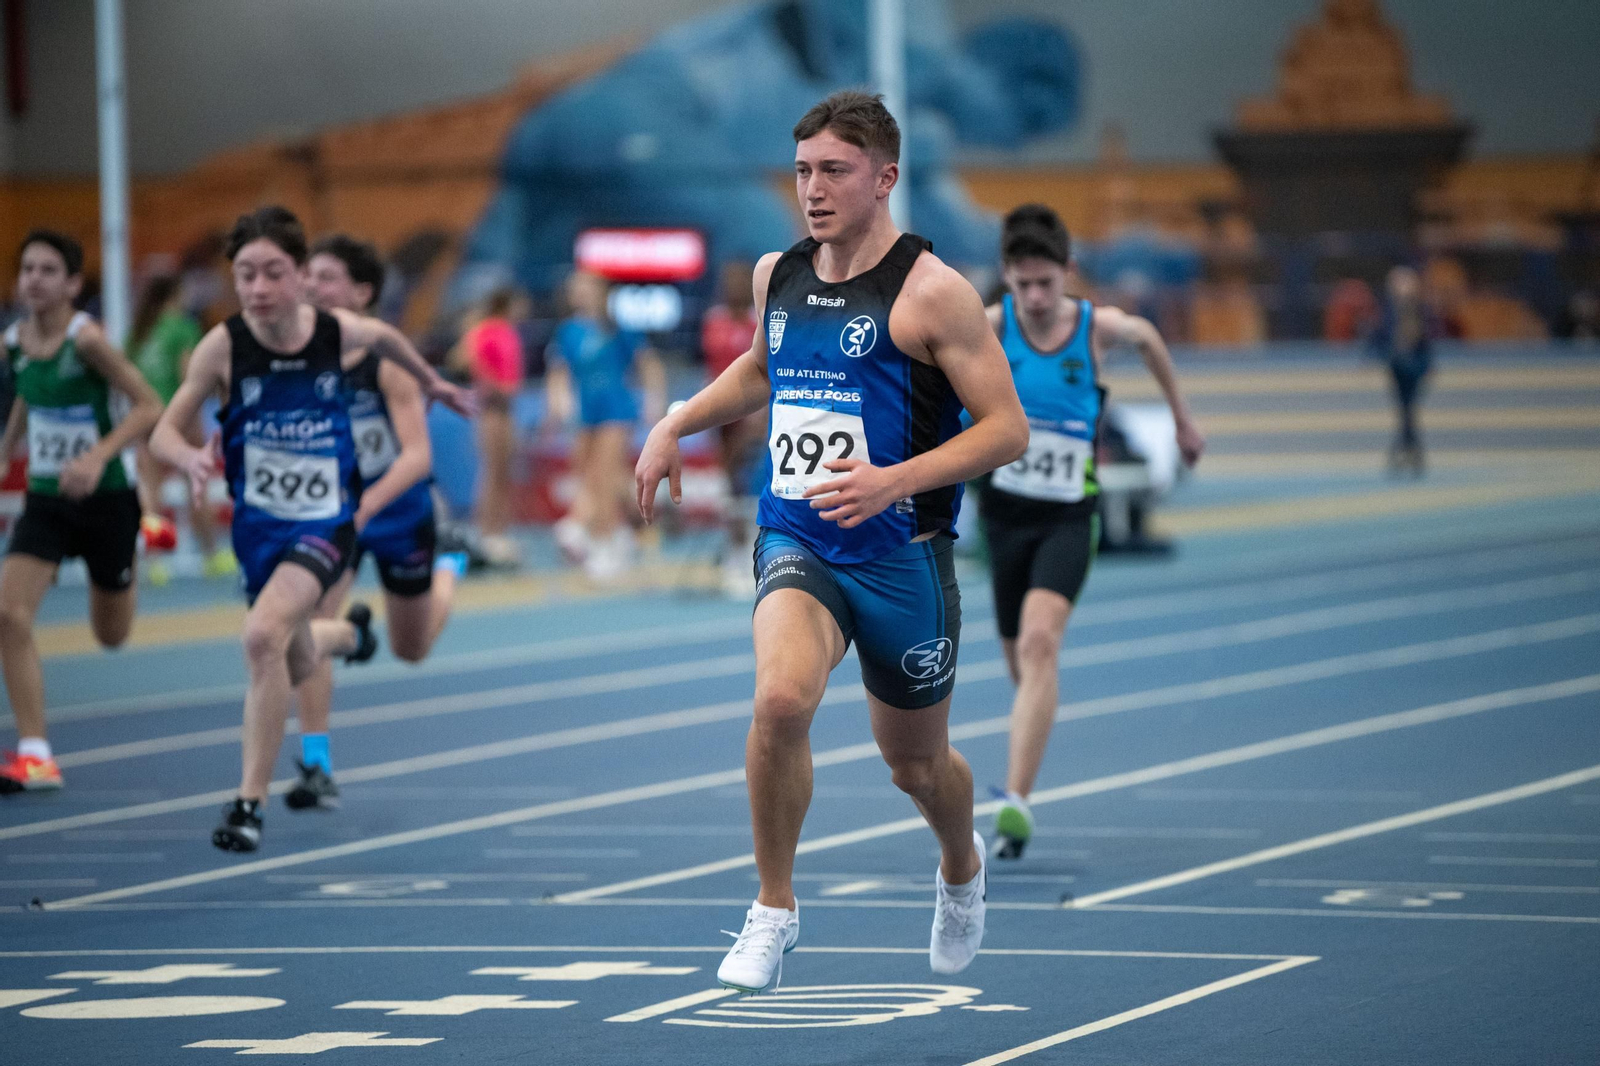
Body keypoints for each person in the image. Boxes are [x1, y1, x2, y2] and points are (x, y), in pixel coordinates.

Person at [635, 91, 1028, 991]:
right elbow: (763, 368)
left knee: (917, 766)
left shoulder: (934, 293)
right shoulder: (779, 273)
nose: (813, 189)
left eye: (835, 172)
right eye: (804, 170)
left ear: (884, 178)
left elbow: (1007, 430)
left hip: (902, 560)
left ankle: (960, 870)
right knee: (780, 702)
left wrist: (897, 478)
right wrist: (677, 422)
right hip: (798, 539)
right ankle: (775, 907)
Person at [150, 206, 473, 851]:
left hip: (360, 512)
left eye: (280, 274)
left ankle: (252, 800)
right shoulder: (225, 344)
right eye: (246, 275)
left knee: (273, 637)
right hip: (266, 526)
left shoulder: (350, 340)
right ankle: (346, 642)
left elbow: (410, 433)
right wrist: (189, 456)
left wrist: (429, 381)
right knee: (290, 648)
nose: (262, 288)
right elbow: (165, 427)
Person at [979, 204, 1205, 859]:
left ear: (1067, 273)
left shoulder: (1094, 328)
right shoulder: (992, 327)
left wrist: (1183, 422)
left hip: (1069, 514)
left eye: (1047, 283)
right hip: (1005, 514)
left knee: (1042, 644)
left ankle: (1015, 804)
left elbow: (1151, 341)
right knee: (1022, 665)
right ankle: (1033, 739)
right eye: (1023, 286)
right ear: (1007, 278)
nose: (1037, 298)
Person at [287, 234, 468, 809]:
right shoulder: (296, 356)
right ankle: (316, 763)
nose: (313, 286)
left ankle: (449, 565)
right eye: (308, 275)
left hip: (397, 510)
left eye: (328, 277)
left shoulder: (385, 360)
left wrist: (365, 504)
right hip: (334, 512)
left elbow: (417, 456)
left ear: (362, 292)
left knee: (410, 648)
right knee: (311, 622)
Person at [0, 230, 164, 793]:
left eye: (48, 270)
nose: (34, 280)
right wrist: (6, 450)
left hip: (106, 502)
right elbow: (28, 392)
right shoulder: (15, 342)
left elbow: (149, 405)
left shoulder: (87, 340)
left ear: (72, 283)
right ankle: (36, 754)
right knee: (7, 613)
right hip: (46, 501)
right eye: (27, 269)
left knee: (111, 634)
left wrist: (97, 455)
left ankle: (128, 563)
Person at [547, 270, 665, 582]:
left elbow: (647, 363)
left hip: (617, 409)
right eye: (575, 289)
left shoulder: (618, 327)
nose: (580, 294)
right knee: (591, 475)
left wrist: (654, 399)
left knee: (603, 474)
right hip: (587, 412)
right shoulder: (568, 332)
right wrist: (558, 403)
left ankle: (603, 542)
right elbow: (559, 372)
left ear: (600, 291)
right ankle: (626, 532)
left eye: (585, 288)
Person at [128, 273, 235, 583]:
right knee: (196, 484)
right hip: (178, 417)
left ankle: (155, 563)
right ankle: (211, 555)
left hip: (145, 416)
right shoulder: (183, 328)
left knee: (151, 493)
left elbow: (130, 377)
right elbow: (190, 375)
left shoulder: (138, 331)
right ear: (174, 294)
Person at [701, 260, 765, 594]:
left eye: (739, 281)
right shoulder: (715, 320)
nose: (733, 287)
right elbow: (712, 367)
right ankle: (735, 550)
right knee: (729, 484)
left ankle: (754, 550)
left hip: (754, 415)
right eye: (729, 281)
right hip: (724, 416)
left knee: (748, 480)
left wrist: (759, 414)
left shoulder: (759, 321)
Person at [455, 288, 526, 567]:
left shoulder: (509, 331)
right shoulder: (485, 329)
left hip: (507, 410)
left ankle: (499, 532)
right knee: (492, 471)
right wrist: (491, 387)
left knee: (504, 472)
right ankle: (486, 534)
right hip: (493, 411)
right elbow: (467, 360)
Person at [1368, 265, 1437, 476]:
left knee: (1408, 410)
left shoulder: (1420, 311)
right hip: (1398, 367)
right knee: (1405, 411)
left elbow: (1426, 342)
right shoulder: (1389, 312)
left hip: (1414, 367)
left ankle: (1407, 451)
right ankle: (1408, 451)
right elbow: (1380, 338)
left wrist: (1424, 365)